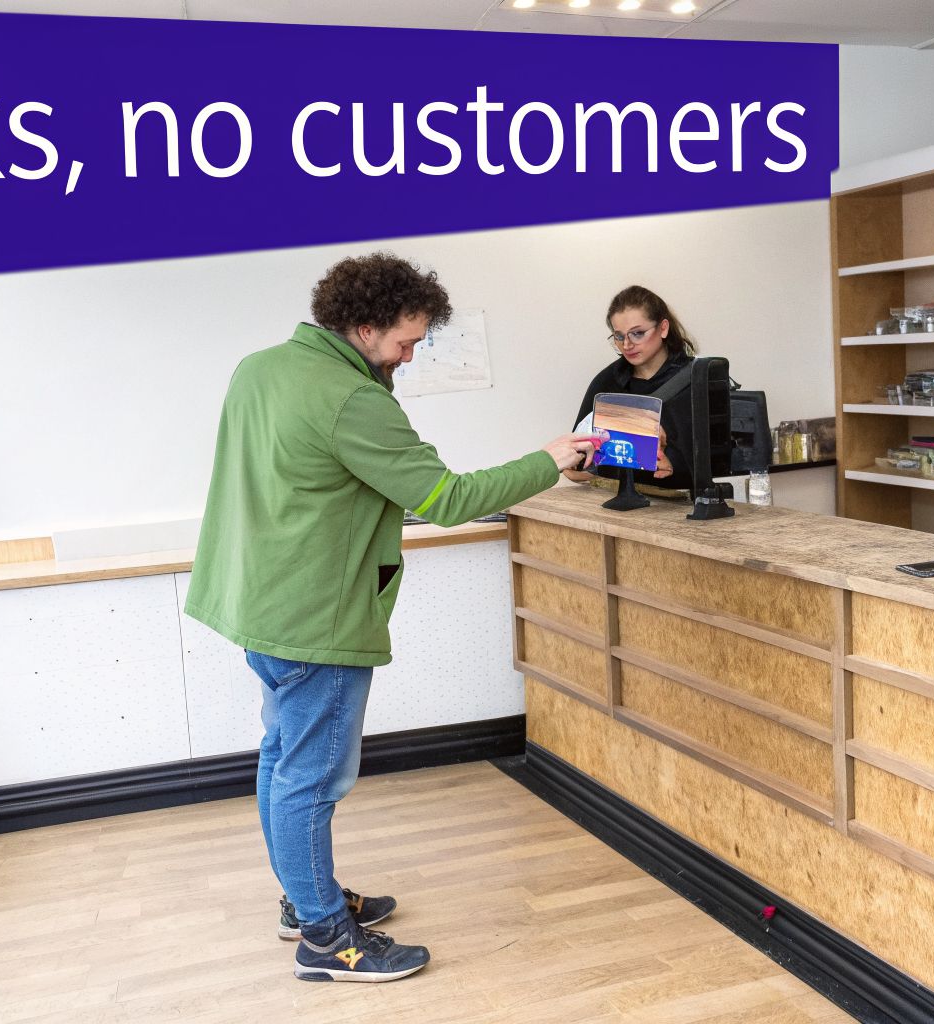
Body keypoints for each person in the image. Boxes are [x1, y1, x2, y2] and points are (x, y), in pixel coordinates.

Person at [185, 252, 598, 984]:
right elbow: (444, 498)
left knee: (282, 758)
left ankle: (301, 900)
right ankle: (324, 936)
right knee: (311, 778)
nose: (409, 359)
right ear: (364, 327)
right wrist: (549, 460)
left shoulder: (261, 368)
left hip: (258, 601)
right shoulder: (352, 399)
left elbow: (315, 480)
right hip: (316, 614)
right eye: (405, 344)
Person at [565, 285, 695, 487]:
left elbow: (714, 462)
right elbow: (574, 465)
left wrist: (673, 463)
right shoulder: (607, 382)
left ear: (663, 328)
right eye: (619, 336)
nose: (626, 345)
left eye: (638, 333)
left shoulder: (696, 379)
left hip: (685, 507)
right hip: (618, 505)